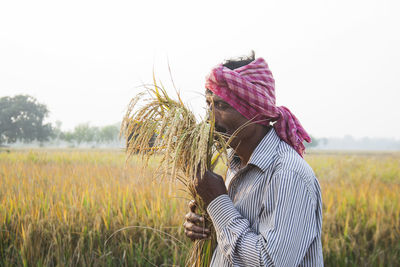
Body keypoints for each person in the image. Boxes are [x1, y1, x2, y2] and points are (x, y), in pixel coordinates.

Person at [183, 52, 324, 266]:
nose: (209, 118)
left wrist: (217, 201)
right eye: (208, 105)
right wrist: (207, 226)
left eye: (221, 106)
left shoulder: (287, 174)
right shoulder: (236, 164)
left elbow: (271, 262)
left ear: (256, 111)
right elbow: (236, 243)